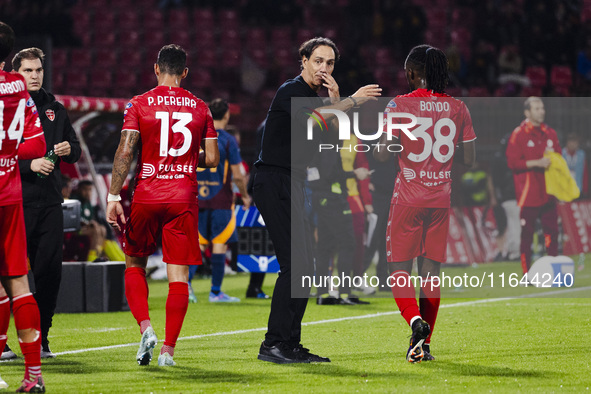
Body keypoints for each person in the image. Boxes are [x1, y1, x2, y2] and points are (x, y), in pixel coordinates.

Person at [253, 36, 381, 364]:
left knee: (306, 268)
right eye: (318, 61)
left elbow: (330, 141)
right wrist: (348, 101)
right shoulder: (291, 91)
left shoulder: (315, 99)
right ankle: (274, 344)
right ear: (304, 61)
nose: (324, 68)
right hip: (274, 180)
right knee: (294, 265)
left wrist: (337, 100)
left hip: (294, 182)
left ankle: (290, 343)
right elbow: (314, 121)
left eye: (330, 63)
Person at [106, 44, 219, 367]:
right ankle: (168, 351)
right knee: (178, 277)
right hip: (183, 196)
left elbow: (125, 152)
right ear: (185, 72)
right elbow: (211, 158)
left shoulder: (139, 103)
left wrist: (114, 196)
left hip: (147, 192)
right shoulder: (201, 107)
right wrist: (182, 160)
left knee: (135, 264)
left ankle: (145, 327)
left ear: (156, 68)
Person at [375, 45, 476, 363]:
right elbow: (470, 159)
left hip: (407, 198)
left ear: (411, 73)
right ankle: (424, 345)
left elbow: (380, 153)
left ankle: (414, 321)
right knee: (431, 271)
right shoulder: (458, 108)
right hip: (440, 199)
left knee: (399, 270)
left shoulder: (398, 106)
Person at [13, 46, 81, 359]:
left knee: (49, 272)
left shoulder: (55, 107)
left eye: (38, 70)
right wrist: (30, 166)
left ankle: (41, 338)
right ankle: (2, 341)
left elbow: (76, 149)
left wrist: (70, 149)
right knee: (8, 275)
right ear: (16, 74)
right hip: (15, 202)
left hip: (51, 202)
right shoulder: (7, 108)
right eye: (28, 70)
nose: (35, 75)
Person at [0, 21, 47, 392]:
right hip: (11, 194)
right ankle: (34, 376)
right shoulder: (18, 88)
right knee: (16, 281)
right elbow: (34, 147)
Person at [193, 98, 251, 303]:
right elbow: (237, 174)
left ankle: (187, 289)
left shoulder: (197, 136)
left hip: (197, 198)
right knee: (219, 244)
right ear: (226, 115)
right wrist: (244, 195)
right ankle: (215, 292)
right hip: (221, 199)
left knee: (197, 245)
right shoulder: (227, 140)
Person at [506, 97, 561, 274]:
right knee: (527, 236)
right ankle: (526, 273)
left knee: (552, 233)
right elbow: (513, 163)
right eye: (537, 109)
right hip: (528, 194)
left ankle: (553, 270)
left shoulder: (550, 133)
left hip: (549, 192)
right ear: (527, 112)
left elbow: (559, 158)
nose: (541, 111)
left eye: (542, 108)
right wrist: (537, 162)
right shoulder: (519, 134)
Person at [562, 132, 588, 197]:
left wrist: (585, 189)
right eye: (571, 142)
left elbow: (585, 172)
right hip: (563, 189)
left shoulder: (581, 155)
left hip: (578, 188)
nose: (573, 144)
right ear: (567, 143)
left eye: (575, 142)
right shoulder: (561, 154)